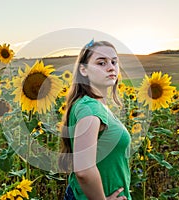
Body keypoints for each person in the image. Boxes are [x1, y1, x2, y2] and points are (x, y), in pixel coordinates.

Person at [59, 40, 132, 200]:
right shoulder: (90, 108)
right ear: (83, 70)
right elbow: (83, 170)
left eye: (114, 61)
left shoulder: (91, 104)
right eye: (101, 63)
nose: (111, 67)